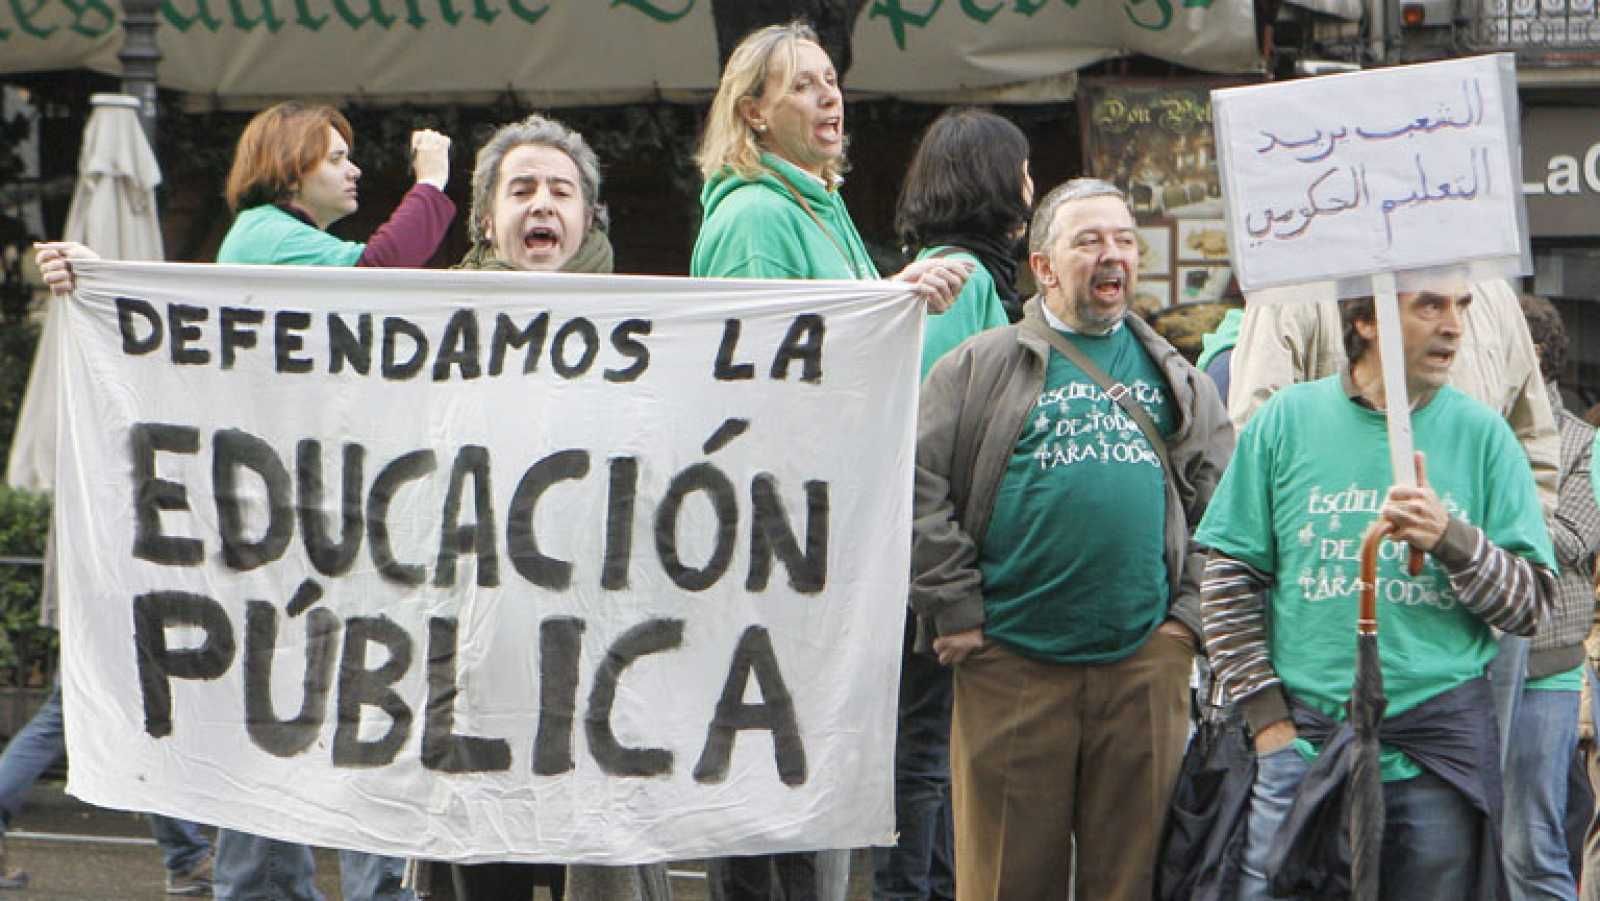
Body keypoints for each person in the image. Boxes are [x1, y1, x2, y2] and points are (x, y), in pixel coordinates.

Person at [38, 99, 454, 901]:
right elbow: (380, 270)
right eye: (336, 157)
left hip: (295, 521)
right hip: (285, 531)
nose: (354, 170)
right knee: (293, 725)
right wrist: (431, 184)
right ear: (290, 167)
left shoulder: (280, 242)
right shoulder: (269, 236)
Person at [689, 21, 970, 901]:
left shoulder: (815, 202)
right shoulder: (756, 216)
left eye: (830, 80)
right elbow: (762, 374)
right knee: (767, 782)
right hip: (777, 541)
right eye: (803, 85)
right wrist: (885, 299)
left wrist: (892, 302)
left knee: (800, 777)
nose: (829, 96)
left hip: (823, 532)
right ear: (753, 113)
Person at [911, 177, 1231, 901]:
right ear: (1044, 267)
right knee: (1005, 882)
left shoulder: (1176, 377)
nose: (1112, 254)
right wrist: (953, 606)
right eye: (1089, 241)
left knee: (1133, 882)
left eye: (1124, 240)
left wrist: (1187, 622)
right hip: (1009, 662)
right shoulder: (977, 367)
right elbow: (917, 486)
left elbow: (1223, 507)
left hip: (1144, 662)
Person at [1199, 287, 1557, 900]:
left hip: (1437, 761)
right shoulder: (1287, 420)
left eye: (1462, 307)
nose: (1454, 327)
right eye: (1430, 306)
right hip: (1304, 748)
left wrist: (1451, 540)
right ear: (1366, 320)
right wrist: (1268, 722)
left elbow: (1532, 605)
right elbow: (1228, 579)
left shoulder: (1484, 435)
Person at [439, 113, 670, 901]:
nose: (542, 202)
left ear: (589, 217)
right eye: (523, 189)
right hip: (483, 657)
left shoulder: (649, 334)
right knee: (487, 870)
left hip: (600, 656)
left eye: (561, 190)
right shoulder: (434, 329)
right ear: (487, 220)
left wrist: (887, 303)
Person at [875, 106, 1032, 901]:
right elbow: (930, 440)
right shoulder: (958, 281)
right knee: (923, 750)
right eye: (1024, 172)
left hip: (941, 561)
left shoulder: (967, 276)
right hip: (934, 566)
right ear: (997, 184)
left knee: (934, 747)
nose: (1032, 189)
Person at [1501, 293, 1597, 901]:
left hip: (1547, 667)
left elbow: (1577, 538)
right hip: (1468, 665)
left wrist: (1496, 508)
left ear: (1533, 354)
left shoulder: (1583, 443)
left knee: (1530, 846)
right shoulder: (1472, 429)